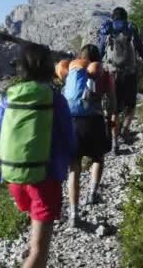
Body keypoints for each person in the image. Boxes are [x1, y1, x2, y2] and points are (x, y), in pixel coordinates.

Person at [0, 43, 76, 268]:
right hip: (46, 178)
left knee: (33, 222)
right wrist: (73, 159)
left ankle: (31, 246)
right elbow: (69, 136)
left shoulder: (9, 97)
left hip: (14, 176)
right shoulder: (55, 98)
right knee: (39, 251)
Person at [62, 44, 116, 228]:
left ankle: (74, 213)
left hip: (72, 122)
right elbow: (112, 100)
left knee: (73, 168)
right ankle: (92, 193)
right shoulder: (104, 74)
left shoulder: (73, 72)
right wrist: (111, 119)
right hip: (94, 121)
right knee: (98, 158)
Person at [98, 7, 143, 147]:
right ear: (125, 17)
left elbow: (99, 52)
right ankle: (125, 132)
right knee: (130, 107)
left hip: (113, 76)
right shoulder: (131, 29)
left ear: (113, 17)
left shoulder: (108, 31)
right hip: (130, 74)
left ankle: (114, 142)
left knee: (114, 110)